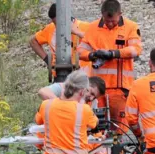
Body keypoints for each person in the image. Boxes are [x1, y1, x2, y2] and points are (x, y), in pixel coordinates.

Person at [77, 0, 142, 134]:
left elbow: (136, 50)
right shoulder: (93, 28)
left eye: (113, 21)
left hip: (119, 90)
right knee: (95, 127)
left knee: (118, 129)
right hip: (97, 89)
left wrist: (114, 54)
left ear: (120, 14)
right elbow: (80, 51)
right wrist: (92, 55)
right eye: (107, 20)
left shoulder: (131, 27)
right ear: (102, 15)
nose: (110, 23)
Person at [29, 3, 92, 77]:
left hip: (83, 78)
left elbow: (96, 43)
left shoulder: (85, 26)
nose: (57, 26)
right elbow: (33, 41)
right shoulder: (50, 28)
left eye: (60, 23)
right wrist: (47, 60)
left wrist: (77, 32)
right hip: (59, 76)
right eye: (55, 23)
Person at [37, 76, 106, 107]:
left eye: (94, 97)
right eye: (91, 93)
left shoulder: (93, 103)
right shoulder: (64, 88)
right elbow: (42, 92)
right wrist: (62, 106)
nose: (91, 98)